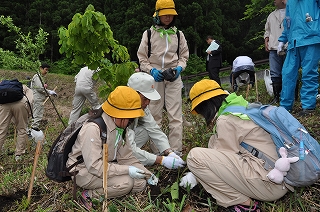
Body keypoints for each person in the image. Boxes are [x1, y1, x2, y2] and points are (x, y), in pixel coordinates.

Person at [179, 79, 291, 211]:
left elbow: (221, 160)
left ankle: (244, 203)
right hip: (281, 176)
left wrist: (195, 175)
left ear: (205, 106)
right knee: (213, 141)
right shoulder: (241, 107)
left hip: (270, 185)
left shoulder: (226, 120)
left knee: (194, 157)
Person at [66, 86, 158, 210]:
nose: (131, 121)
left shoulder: (119, 128)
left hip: (103, 166)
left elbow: (127, 157)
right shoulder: (93, 129)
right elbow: (94, 166)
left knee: (140, 183)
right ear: (121, 115)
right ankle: (88, 196)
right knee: (127, 182)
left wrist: (147, 174)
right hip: (83, 171)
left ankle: (112, 190)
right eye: (130, 118)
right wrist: (126, 170)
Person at [137, 0, 189, 153]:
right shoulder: (148, 34)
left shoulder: (178, 34)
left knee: (175, 115)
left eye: (171, 14)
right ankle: (158, 151)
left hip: (173, 77)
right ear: (158, 14)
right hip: (154, 78)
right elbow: (142, 58)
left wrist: (179, 68)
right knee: (154, 114)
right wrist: (151, 70)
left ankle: (175, 151)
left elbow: (184, 56)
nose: (168, 17)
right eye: (165, 14)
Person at [127, 72, 185, 168]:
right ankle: (120, 161)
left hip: (123, 144)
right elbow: (128, 148)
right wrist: (160, 160)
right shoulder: (120, 111)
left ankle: (130, 158)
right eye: (145, 98)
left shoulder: (141, 106)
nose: (148, 102)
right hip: (109, 148)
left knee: (146, 130)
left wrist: (168, 152)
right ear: (133, 93)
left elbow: (153, 128)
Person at [278, 1, 320, 116]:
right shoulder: (290, 2)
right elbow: (288, 22)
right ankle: (285, 107)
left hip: (311, 38)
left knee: (309, 73)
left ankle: (308, 107)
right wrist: (282, 39)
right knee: (287, 73)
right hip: (294, 41)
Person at [0, 83, 33, 161]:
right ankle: (19, 154)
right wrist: (29, 114)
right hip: (20, 104)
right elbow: (30, 101)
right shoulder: (28, 89)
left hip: (4, 104)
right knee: (22, 129)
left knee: (1, 130)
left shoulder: (4, 88)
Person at [264, 0, 287, 104]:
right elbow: (267, 30)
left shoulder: (291, 12)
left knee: (289, 72)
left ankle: (291, 96)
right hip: (273, 47)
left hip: (288, 46)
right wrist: (266, 40)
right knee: (275, 73)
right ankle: (277, 97)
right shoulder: (271, 15)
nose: (274, 1)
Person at [30, 63, 57, 131]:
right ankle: (33, 130)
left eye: (47, 70)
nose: (46, 71)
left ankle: (33, 129)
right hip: (37, 99)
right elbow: (40, 88)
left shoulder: (40, 77)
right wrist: (49, 91)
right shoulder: (37, 77)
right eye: (46, 69)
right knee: (37, 115)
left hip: (39, 99)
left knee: (38, 114)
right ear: (41, 68)